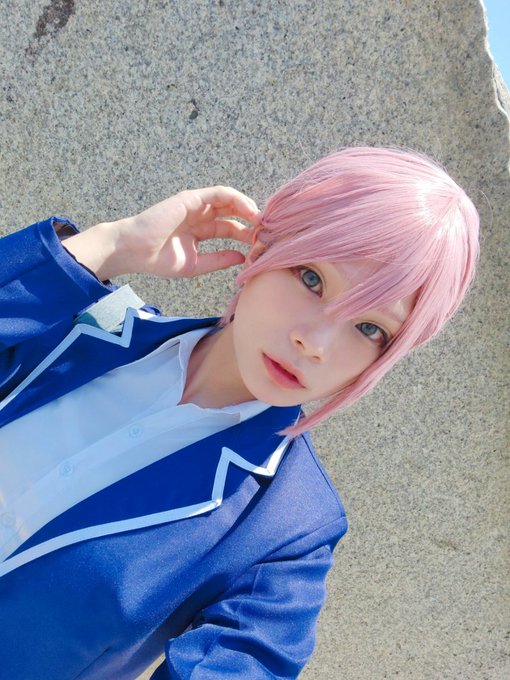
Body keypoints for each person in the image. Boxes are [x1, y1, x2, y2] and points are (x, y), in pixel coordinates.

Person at [0, 147, 479, 679]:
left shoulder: (288, 529)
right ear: (261, 247)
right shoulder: (81, 324)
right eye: (312, 278)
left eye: (370, 329)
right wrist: (112, 245)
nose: (315, 342)